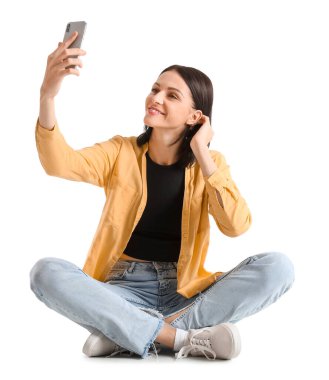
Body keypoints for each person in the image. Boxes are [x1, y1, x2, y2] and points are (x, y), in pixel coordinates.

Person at [30, 31, 295, 361]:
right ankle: (176, 336)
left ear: (195, 116)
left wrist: (202, 152)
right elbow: (59, 163)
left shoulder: (210, 165)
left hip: (185, 293)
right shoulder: (120, 152)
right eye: (155, 89)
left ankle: (130, 333)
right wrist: (47, 96)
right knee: (46, 273)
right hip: (121, 291)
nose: (156, 98)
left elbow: (236, 225)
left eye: (171, 95)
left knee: (278, 268)